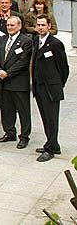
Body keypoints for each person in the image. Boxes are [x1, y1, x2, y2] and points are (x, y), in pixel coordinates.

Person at [31, 15, 69, 162]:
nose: (40, 27)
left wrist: (58, 84)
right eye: (38, 25)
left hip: (51, 88)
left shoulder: (55, 44)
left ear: (49, 26)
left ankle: (50, 149)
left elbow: (63, 68)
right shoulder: (36, 41)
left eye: (43, 25)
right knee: (45, 118)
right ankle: (53, 143)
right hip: (39, 87)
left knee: (51, 119)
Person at [0, 15, 33, 149]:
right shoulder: (2, 39)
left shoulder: (26, 41)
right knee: (6, 109)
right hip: (3, 82)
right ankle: (9, 132)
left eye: (12, 25)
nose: (9, 28)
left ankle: (24, 136)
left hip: (18, 82)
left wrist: (8, 73)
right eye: (8, 25)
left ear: (19, 26)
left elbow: (23, 61)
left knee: (23, 110)